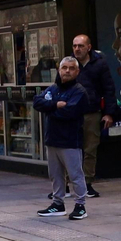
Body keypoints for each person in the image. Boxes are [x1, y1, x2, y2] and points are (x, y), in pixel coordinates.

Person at [34, 57, 93, 220]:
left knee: (75, 174)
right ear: (59, 70)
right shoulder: (53, 89)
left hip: (70, 140)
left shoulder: (79, 91)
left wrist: (50, 108)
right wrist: (55, 105)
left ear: (77, 71)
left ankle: (80, 205)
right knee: (55, 174)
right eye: (64, 68)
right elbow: (37, 102)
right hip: (52, 139)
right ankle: (57, 203)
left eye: (71, 68)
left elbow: (69, 112)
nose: (67, 71)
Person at [72, 34, 120, 198]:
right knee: (69, 149)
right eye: (75, 46)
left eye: (80, 46)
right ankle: (63, 184)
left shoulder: (99, 64)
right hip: (72, 113)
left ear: (89, 47)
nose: (77, 49)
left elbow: (109, 89)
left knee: (90, 149)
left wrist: (109, 113)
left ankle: (87, 183)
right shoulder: (69, 64)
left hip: (92, 112)